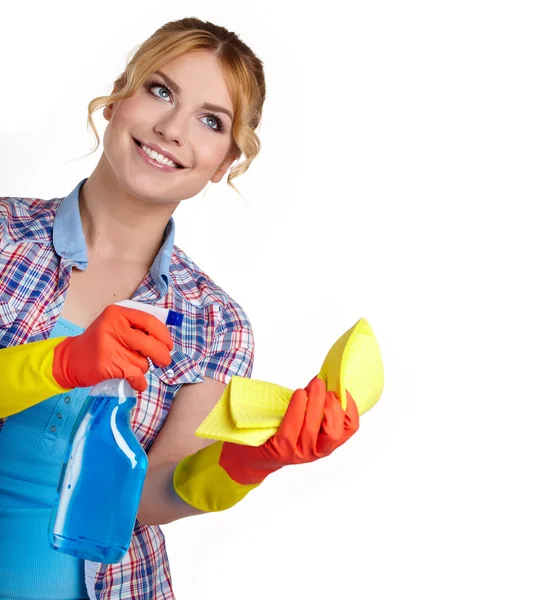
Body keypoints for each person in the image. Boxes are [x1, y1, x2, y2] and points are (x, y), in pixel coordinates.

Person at [0, 17, 359, 600]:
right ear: (118, 98)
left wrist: (254, 461)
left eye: (211, 121)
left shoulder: (215, 323)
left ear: (224, 163)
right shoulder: (3, 234)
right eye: (160, 91)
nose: (171, 129)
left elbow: (146, 499)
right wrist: (62, 364)